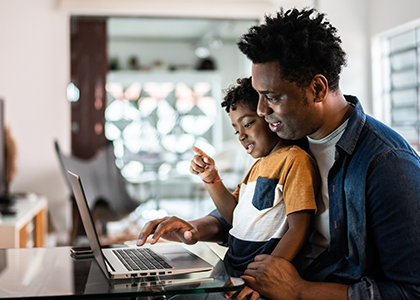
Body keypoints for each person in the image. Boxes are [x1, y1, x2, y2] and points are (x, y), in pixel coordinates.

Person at [137, 7, 420, 300]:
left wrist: (300, 291)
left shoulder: (388, 166)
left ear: (317, 89)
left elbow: (410, 290)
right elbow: (253, 213)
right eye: (258, 95)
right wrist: (194, 228)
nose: (260, 111)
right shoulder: (291, 138)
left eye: (271, 97)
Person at [190, 76, 319, 298]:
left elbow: (300, 227)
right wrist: (211, 178)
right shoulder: (257, 166)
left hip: (257, 283)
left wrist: (265, 277)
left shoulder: (295, 160)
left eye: (248, 124)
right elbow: (234, 216)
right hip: (231, 271)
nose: (241, 136)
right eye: (236, 129)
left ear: (269, 117)